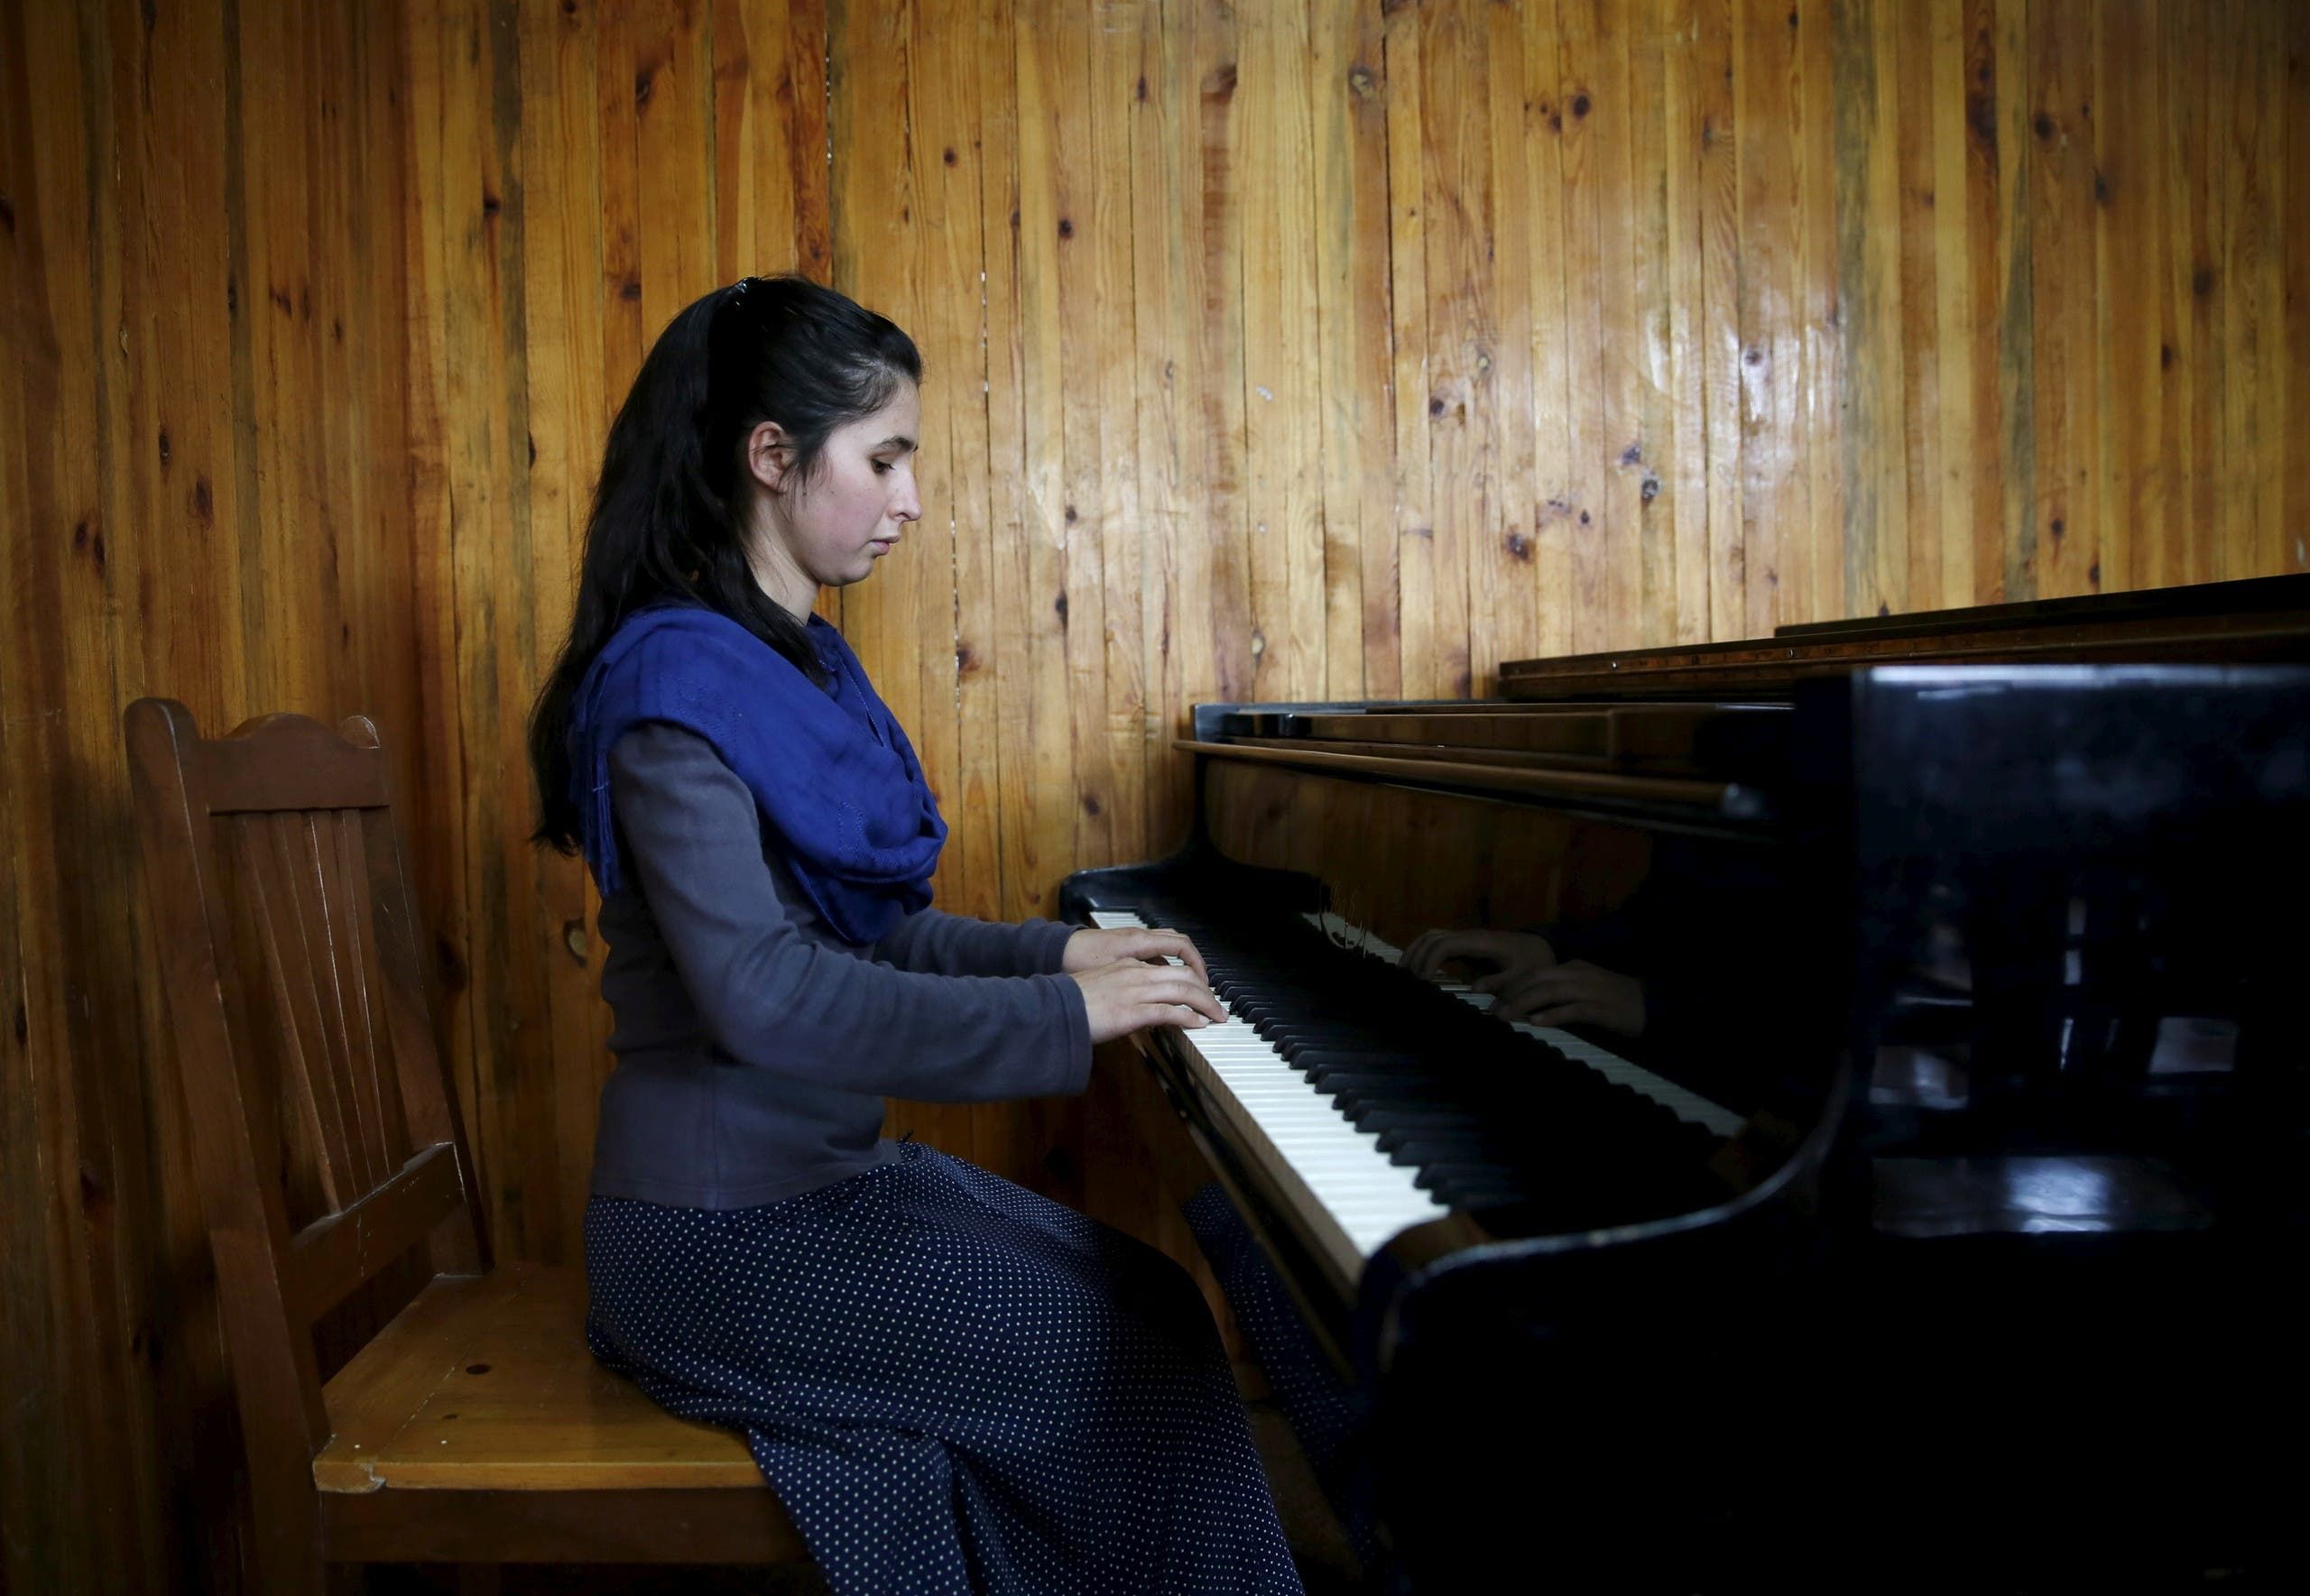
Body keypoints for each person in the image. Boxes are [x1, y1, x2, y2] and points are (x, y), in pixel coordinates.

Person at [525, 274, 1302, 1594]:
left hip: (816, 1186)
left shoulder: (799, 666)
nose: (913, 499)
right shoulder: (672, 685)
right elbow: (766, 992)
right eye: (884, 459)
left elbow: (877, 937)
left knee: (1163, 1306)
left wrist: (1064, 957)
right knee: (1125, 1370)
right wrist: (1064, 1016)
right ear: (771, 456)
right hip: (718, 1237)